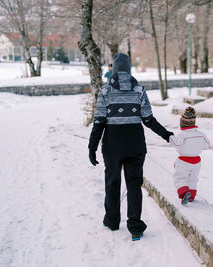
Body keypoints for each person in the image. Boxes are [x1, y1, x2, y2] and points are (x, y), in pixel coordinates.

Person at [88, 53, 173, 241]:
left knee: (112, 182)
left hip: (113, 145)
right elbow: (149, 119)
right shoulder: (139, 90)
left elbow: (99, 122)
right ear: (129, 70)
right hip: (135, 144)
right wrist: (166, 134)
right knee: (134, 185)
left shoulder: (105, 91)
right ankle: (135, 227)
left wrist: (92, 147)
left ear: (114, 70)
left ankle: (111, 221)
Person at [169, 107, 210, 205]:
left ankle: (184, 192)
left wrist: (170, 136)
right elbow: (207, 145)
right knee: (193, 179)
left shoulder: (182, 135)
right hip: (196, 162)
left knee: (180, 178)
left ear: (182, 123)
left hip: (183, 161)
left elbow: (176, 143)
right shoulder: (201, 135)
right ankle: (191, 195)